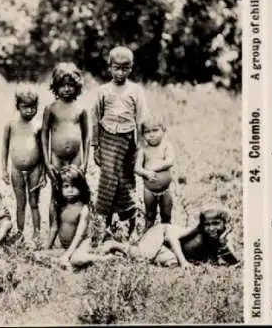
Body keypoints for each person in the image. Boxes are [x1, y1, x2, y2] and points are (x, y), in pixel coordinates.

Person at [92, 46, 147, 238]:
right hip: (107, 140)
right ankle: (105, 225)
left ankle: (132, 225)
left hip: (127, 141)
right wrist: (95, 146)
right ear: (110, 67)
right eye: (117, 68)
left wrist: (139, 148)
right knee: (108, 181)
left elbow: (141, 121)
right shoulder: (103, 90)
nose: (120, 72)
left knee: (125, 181)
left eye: (125, 68)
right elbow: (96, 119)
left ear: (131, 68)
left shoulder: (136, 90)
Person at [41, 62, 90, 244]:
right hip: (56, 157)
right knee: (56, 194)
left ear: (77, 86)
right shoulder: (51, 108)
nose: (67, 89)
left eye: (70, 85)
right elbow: (44, 136)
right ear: (56, 86)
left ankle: (77, 233)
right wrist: (47, 163)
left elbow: (87, 137)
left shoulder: (81, 108)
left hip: (76, 156)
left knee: (76, 193)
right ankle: (52, 234)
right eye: (62, 85)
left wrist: (85, 161)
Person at [99, 205, 240, 268]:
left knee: (166, 262)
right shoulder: (198, 231)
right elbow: (172, 237)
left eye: (216, 223)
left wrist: (223, 244)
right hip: (162, 233)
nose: (211, 228)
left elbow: (233, 262)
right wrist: (183, 262)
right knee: (143, 255)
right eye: (207, 224)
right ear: (202, 224)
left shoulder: (225, 237)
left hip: (171, 250)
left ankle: (119, 254)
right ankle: (115, 244)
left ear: (226, 223)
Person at [43, 164, 116, 269]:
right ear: (60, 188)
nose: (70, 190)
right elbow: (54, 228)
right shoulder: (59, 206)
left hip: (82, 245)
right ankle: (66, 259)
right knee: (38, 255)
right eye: (66, 186)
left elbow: (79, 236)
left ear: (81, 187)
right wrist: (47, 250)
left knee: (76, 259)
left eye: (74, 186)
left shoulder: (84, 209)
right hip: (67, 248)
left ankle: (104, 258)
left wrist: (67, 255)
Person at [2, 87, 46, 245]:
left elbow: (43, 151)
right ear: (17, 106)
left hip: (35, 169)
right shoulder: (11, 124)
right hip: (16, 169)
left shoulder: (38, 125)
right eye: (25, 107)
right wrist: (3, 169)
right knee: (20, 203)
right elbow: (5, 147)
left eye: (33, 107)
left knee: (34, 203)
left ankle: (37, 234)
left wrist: (43, 172)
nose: (29, 111)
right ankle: (20, 234)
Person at [134, 115, 175, 229]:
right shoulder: (144, 150)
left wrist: (153, 169)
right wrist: (146, 173)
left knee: (166, 215)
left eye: (155, 130)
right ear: (143, 135)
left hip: (165, 190)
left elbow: (169, 161)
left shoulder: (166, 146)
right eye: (147, 132)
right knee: (150, 215)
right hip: (149, 191)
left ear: (163, 130)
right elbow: (137, 168)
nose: (151, 134)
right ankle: (148, 236)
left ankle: (166, 235)